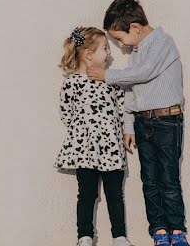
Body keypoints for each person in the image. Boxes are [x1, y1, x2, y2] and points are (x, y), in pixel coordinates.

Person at [87, 0, 189, 246]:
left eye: (120, 39)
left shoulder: (163, 42)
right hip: (144, 124)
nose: (121, 45)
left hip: (167, 121)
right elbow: (131, 88)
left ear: (134, 27)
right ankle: (158, 231)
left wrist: (107, 75)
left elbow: (144, 73)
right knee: (150, 180)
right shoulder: (137, 53)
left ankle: (177, 230)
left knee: (169, 179)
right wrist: (129, 126)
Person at [56, 26, 133, 246]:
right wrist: (83, 133)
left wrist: (121, 132)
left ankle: (119, 236)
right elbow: (66, 113)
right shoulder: (71, 83)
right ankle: (85, 236)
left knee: (115, 195)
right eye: (105, 48)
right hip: (85, 150)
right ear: (89, 54)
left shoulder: (111, 80)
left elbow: (122, 108)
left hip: (111, 148)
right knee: (86, 194)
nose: (109, 53)